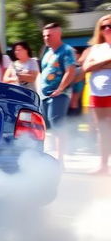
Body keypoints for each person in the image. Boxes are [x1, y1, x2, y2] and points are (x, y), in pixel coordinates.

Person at [39, 22, 76, 163]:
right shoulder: (47, 52)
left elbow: (70, 71)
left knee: (58, 125)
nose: (47, 38)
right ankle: (50, 157)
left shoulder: (66, 50)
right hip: (45, 95)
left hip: (59, 95)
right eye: (45, 36)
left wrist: (60, 89)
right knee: (46, 126)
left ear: (58, 34)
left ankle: (60, 160)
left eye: (50, 35)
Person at [83, 13, 111, 175]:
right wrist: (107, 61)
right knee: (103, 130)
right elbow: (87, 67)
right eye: (103, 26)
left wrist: (97, 65)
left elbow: (92, 66)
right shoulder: (96, 48)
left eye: (110, 26)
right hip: (98, 94)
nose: (107, 29)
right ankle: (103, 165)